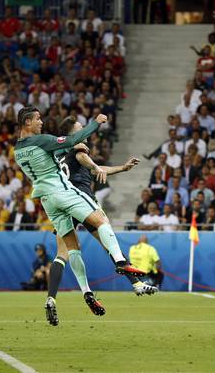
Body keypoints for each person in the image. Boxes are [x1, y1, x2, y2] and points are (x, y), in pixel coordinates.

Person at [14, 107, 144, 326]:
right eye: (37, 119)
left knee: (71, 248)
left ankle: (82, 293)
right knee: (101, 220)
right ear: (27, 122)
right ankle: (121, 263)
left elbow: (56, 153)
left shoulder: (18, 151)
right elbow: (73, 140)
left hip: (46, 201)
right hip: (63, 192)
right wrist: (96, 122)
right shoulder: (43, 141)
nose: (41, 122)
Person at [44, 115, 157, 312]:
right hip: (81, 200)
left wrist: (121, 168)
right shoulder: (77, 145)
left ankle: (54, 298)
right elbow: (83, 158)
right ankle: (136, 284)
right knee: (108, 240)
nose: (84, 132)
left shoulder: (58, 153)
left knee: (63, 254)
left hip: (62, 202)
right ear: (73, 134)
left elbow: (93, 169)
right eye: (80, 128)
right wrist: (95, 166)